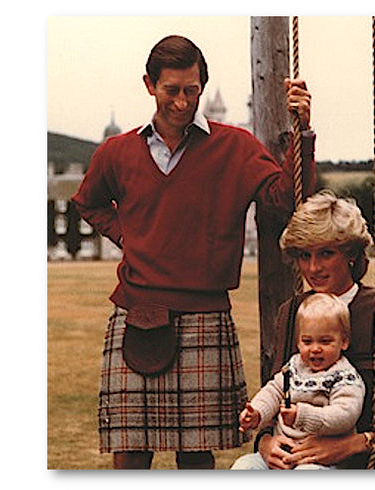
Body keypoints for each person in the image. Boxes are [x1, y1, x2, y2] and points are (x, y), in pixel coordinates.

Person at [71, 34, 315, 470]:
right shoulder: (117, 152)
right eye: (172, 91)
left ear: (202, 85)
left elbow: (286, 200)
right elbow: (87, 203)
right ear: (149, 84)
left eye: (192, 90)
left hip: (206, 313)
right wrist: (127, 235)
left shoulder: (235, 147)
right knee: (129, 454)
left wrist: (304, 135)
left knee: (197, 458)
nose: (182, 102)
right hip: (136, 312)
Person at [254, 190, 375, 469]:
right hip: (293, 459)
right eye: (304, 255)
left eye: (325, 253)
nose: (313, 268)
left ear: (350, 254)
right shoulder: (291, 312)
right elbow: (277, 394)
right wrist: (265, 443)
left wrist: (355, 443)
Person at [231, 293, 366, 470]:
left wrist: (302, 416)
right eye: (307, 341)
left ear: (344, 342)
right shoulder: (295, 366)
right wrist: (257, 412)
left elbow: (344, 416)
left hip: (321, 462)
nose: (315, 349)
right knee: (244, 466)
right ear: (298, 342)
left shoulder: (344, 376)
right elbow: (273, 391)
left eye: (325, 341)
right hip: (282, 453)